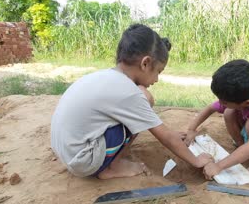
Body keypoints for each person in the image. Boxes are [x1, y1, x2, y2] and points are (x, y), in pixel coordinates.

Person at [50, 24, 213, 179]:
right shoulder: (128, 93)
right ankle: (112, 168)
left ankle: (109, 159)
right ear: (145, 63)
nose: (156, 79)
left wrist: (170, 134)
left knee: (142, 101)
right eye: (158, 71)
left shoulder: (106, 76)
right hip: (83, 162)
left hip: (68, 151)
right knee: (144, 101)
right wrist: (197, 160)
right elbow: (166, 138)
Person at [184, 59, 249, 179]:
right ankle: (242, 147)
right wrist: (191, 129)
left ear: (247, 103)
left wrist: (218, 166)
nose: (220, 103)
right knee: (229, 112)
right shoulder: (241, 97)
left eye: (223, 101)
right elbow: (210, 108)